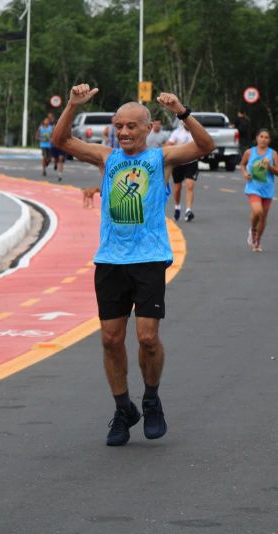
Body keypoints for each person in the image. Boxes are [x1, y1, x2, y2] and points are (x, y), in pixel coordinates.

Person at [51, 83, 214, 446]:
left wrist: (183, 113)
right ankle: (123, 408)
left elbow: (206, 147)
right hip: (110, 259)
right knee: (110, 339)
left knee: (147, 338)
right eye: (118, 126)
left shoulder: (162, 159)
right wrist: (73, 106)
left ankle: (151, 399)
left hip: (150, 259)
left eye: (131, 126)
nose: (123, 132)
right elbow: (61, 140)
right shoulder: (106, 157)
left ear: (148, 127)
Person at [240, 128, 278, 252]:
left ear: (269, 140)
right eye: (261, 136)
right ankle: (252, 230)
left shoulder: (273, 154)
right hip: (253, 187)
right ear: (257, 138)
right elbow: (242, 164)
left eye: (266, 137)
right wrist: (245, 173)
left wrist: (269, 166)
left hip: (267, 189)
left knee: (263, 217)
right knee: (258, 211)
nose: (263, 139)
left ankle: (257, 241)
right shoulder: (249, 152)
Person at [166, 120, 198, 222]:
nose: (187, 124)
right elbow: (168, 144)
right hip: (178, 163)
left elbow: (202, 143)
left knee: (190, 186)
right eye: (185, 122)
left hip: (192, 162)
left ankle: (188, 210)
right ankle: (177, 207)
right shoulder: (177, 133)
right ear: (182, 123)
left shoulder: (195, 132)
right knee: (177, 188)